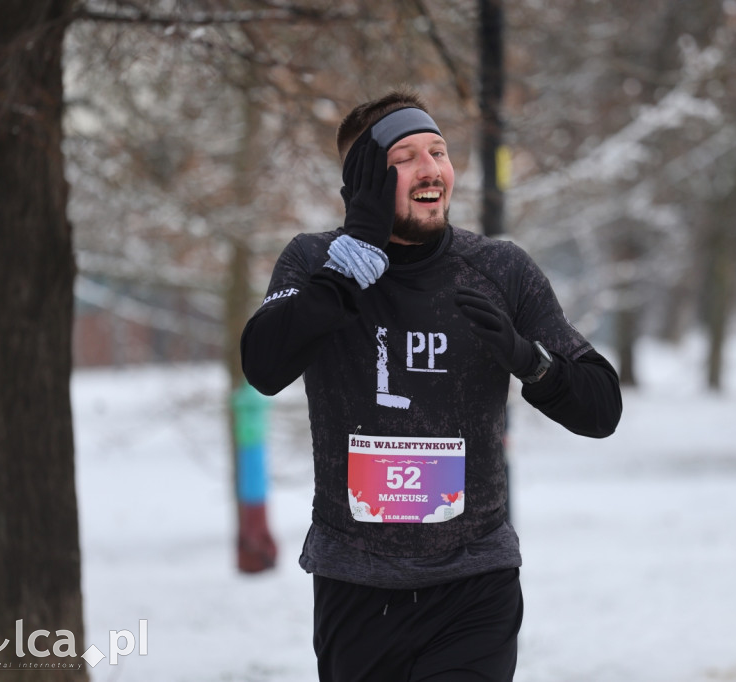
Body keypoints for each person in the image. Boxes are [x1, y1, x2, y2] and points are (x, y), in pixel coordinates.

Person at [240, 88, 622, 682]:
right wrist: (354, 259)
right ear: (362, 181)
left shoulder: (499, 269)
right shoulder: (315, 262)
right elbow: (264, 365)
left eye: (439, 152)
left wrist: (529, 360)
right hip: (356, 587)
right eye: (405, 157)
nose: (431, 169)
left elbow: (602, 408)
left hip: (475, 584)